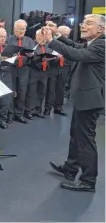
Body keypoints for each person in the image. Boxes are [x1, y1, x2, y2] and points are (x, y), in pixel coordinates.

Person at [43, 14, 105, 192]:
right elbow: (76, 46)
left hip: (90, 99)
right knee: (76, 135)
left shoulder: (102, 44)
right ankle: (70, 169)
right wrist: (57, 35)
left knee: (85, 139)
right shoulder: (94, 42)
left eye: (88, 23)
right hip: (84, 97)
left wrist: (51, 41)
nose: (83, 26)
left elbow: (76, 54)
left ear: (101, 29)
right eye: (83, 23)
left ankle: (88, 180)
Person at [7, 19, 36, 124]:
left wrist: (32, 55)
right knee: (11, 91)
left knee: (22, 92)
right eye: (20, 29)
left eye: (24, 29)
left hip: (24, 69)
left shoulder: (29, 41)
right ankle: (9, 114)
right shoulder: (8, 40)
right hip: (11, 69)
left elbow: (34, 55)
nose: (22, 31)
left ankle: (19, 114)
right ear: (14, 29)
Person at [25, 29, 52, 119]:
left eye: (43, 36)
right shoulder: (32, 45)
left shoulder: (49, 46)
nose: (42, 38)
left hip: (45, 71)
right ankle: (29, 111)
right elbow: (29, 57)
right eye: (40, 36)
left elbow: (53, 56)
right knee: (31, 92)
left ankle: (38, 110)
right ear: (36, 37)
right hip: (33, 71)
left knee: (42, 91)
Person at [0, 28, 14, 128]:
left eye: (5, 37)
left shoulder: (8, 47)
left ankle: (2, 119)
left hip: (7, 74)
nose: (3, 39)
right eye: (1, 36)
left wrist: (14, 57)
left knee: (6, 99)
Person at [44, 22, 69, 116]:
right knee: (50, 89)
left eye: (67, 35)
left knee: (61, 89)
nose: (66, 37)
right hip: (53, 67)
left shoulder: (67, 44)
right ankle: (47, 108)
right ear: (59, 33)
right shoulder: (52, 42)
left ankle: (58, 107)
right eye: (64, 35)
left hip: (64, 68)